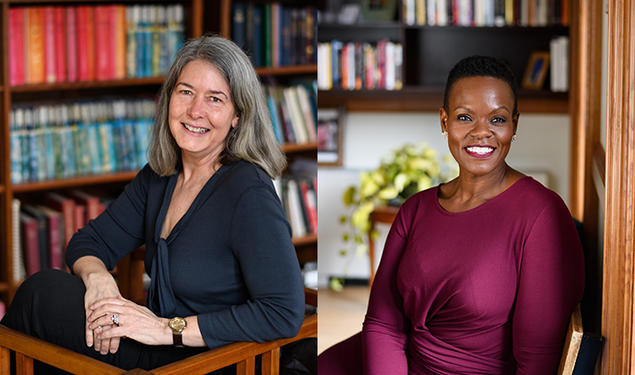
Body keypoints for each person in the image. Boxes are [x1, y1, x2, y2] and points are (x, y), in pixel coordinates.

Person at [1, 35, 305, 373]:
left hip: (209, 359)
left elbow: (283, 312)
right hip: (154, 346)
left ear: (237, 116)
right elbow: (89, 241)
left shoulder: (249, 192)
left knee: (38, 301)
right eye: (185, 91)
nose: (195, 111)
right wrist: (100, 283)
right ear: (169, 98)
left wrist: (165, 329)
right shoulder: (161, 175)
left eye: (215, 99)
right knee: (43, 296)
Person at [318, 55, 584, 374]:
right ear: (444, 121)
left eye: (497, 119)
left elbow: (536, 360)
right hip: (396, 362)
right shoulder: (414, 209)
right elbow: (383, 323)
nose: (481, 132)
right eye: (464, 117)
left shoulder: (542, 215)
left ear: (514, 123)